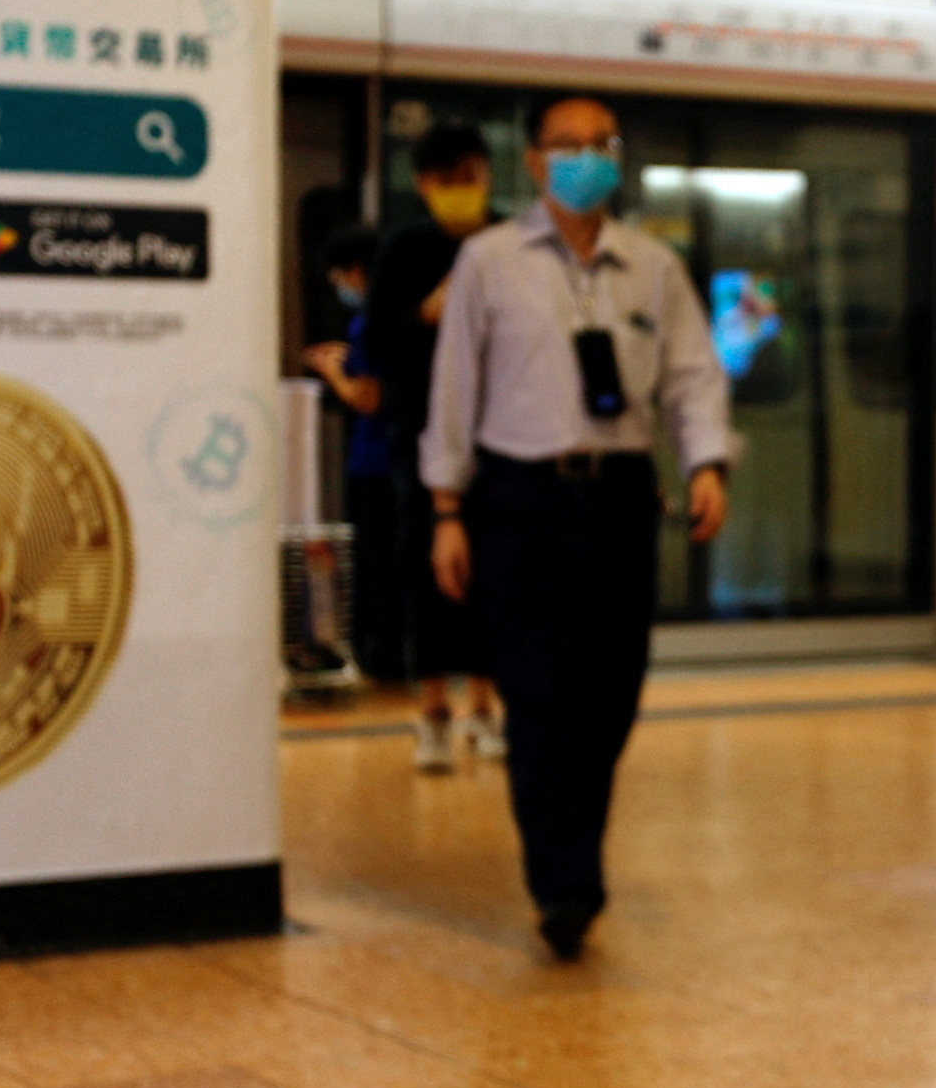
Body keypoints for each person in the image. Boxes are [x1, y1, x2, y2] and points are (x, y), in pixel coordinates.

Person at [424, 96, 732, 959]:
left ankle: (572, 855)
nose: (587, 158)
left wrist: (704, 463)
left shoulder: (652, 267)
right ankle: (564, 884)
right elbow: (453, 390)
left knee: (611, 695)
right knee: (540, 695)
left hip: (622, 497)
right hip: (519, 501)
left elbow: (691, 377)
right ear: (533, 162)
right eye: (569, 146)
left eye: (602, 145)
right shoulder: (488, 262)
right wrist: (446, 508)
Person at [367, 123, 506, 768]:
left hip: (503, 436)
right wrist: (430, 312)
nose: (464, 192)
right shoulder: (403, 251)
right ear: (424, 186)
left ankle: (485, 705)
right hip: (419, 437)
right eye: (450, 182)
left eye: (473, 178)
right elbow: (379, 342)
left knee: (494, 573)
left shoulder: (511, 242)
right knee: (424, 572)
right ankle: (430, 712)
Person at [299, 223, 404, 683]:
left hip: (375, 461)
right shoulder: (402, 318)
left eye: (341, 277)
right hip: (400, 460)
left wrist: (331, 373)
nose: (341, 288)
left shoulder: (371, 321)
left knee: (378, 566)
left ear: (357, 271)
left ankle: (382, 659)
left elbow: (368, 396)